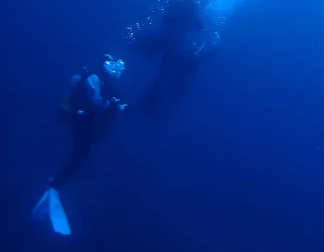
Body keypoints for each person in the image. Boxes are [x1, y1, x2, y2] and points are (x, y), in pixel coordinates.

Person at [34, 56, 127, 235]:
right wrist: (112, 105)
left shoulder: (94, 81)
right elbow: (97, 103)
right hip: (83, 122)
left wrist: (116, 105)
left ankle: (56, 183)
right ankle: (55, 183)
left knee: (79, 156)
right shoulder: (94, 80)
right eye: (115, 72)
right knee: (79, 156)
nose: (116, 76)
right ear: (107, 71)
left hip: (83, 122)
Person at [140, 31, 220, 118]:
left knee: (168, 92)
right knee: (171, 94)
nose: (195, 46)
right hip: (178, 78)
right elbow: (209, 53)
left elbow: (209, 53)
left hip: (176, 77)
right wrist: (216, 41)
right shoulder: (194, 55)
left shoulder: (189, 54)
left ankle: (156, 109)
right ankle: (158, 110)